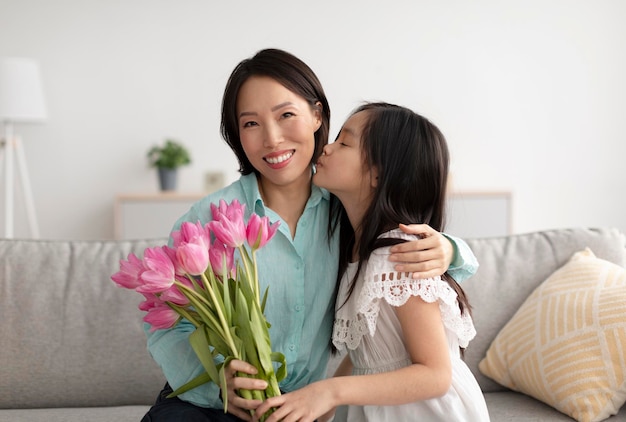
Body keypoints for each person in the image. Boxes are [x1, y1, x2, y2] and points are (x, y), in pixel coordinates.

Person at [141, 49, 478, 422]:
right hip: (211, 403)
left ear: (317, 115)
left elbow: (411, 262)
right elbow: (167, 322)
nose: (271, 139)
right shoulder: (209, 218)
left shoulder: (348, 211)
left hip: (300, 405)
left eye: (286, 115)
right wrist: (218, 382)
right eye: (250, 123)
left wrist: (449, 249)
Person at [253, 102, 489, 422]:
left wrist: (329, 392)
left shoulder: (400, 256)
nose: (327, 147)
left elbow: (435, 375)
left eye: (344, 142)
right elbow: (369, 354)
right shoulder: (357, 253)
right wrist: (321, 405)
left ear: (377, 174)